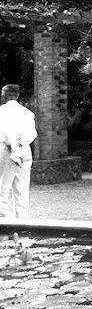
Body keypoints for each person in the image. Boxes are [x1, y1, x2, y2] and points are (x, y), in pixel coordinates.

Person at [0, 84, 37, 219]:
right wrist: (20, 143)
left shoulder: (2, 111)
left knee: (2, 190)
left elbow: (5, 133)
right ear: (17, 96)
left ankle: (4, 233)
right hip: (24, 150)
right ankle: (23, 231)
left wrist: (13, 146)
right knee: (22, 191)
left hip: (6, 151)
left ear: (4, 95)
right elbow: (32, 133)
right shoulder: (27, 113)